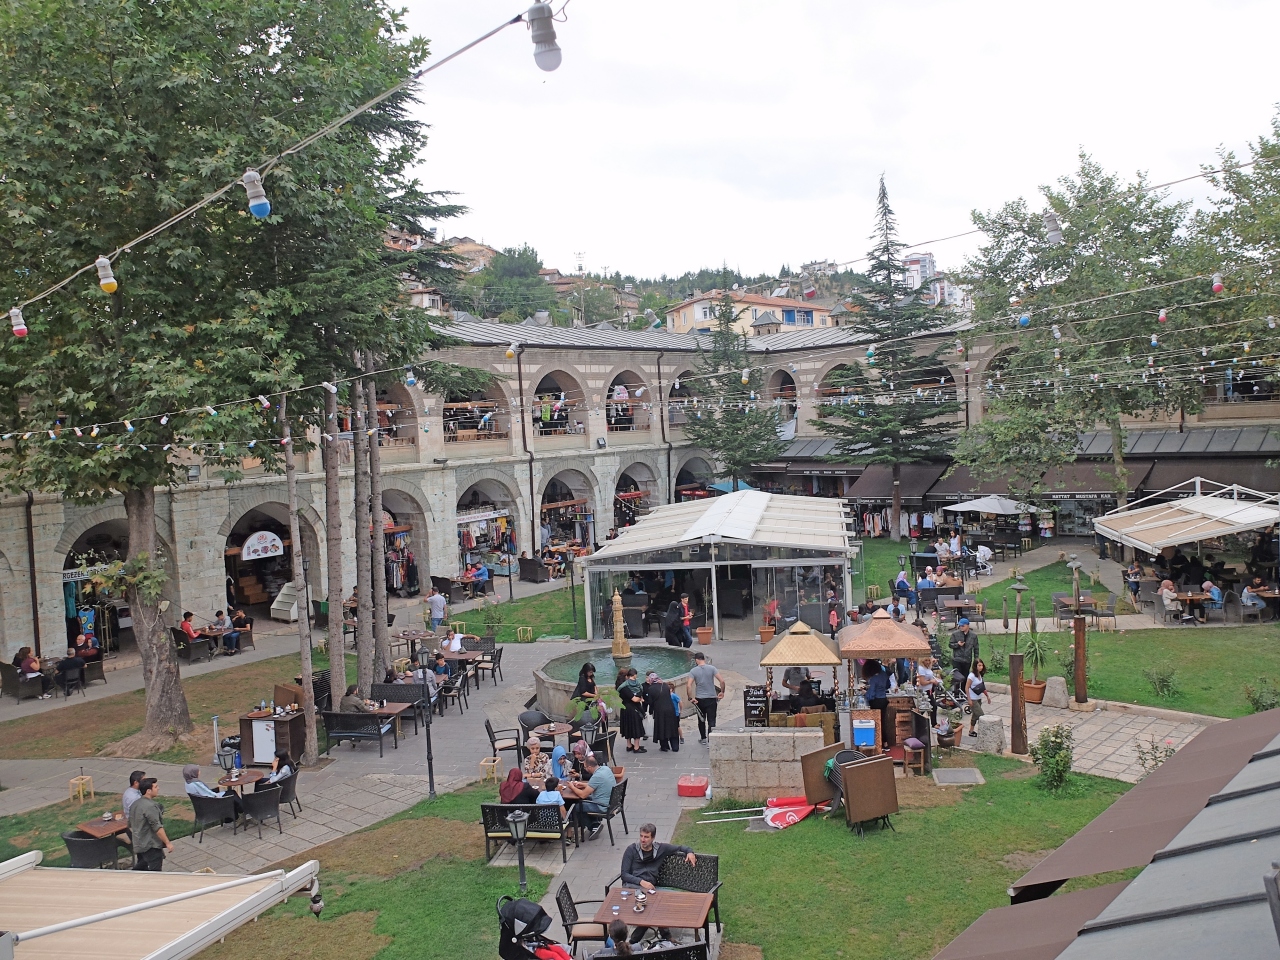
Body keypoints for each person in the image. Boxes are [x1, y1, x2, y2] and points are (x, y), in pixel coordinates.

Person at [619, 824, 697, 943]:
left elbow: (681, 847)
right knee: (654, 907)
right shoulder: (631, 850)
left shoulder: (661, 849)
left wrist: (690, 852)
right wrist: (642, 882)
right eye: (641, 836)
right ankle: (662, 937)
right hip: (632, 888)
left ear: (653, 838)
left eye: (646, 837)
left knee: (667, 900)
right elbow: (624, 874)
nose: (643, 840)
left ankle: (634, 942)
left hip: (651, 890)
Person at [562, 754, 615, 840]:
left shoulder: (596, 776)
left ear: (590, 767)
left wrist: (572, 787)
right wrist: (582, 784)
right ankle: (595, 823)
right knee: (583, 802)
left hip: (602, 806)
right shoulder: (605, 769)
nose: (585, 769)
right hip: (611, 802)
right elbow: (596, 784)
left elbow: (583, 795)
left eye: (585, 767)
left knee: (577, 807)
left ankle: (592, 826)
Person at [129, 778, 174, 871]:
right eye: (156, 787)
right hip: (150, 845)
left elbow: (130, 823)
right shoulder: (150, 806)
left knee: (142, 868)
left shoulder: (135, 804)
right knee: (155, 872)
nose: (158, 788)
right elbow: (157, 827)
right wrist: (167, 843)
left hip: (139, 844)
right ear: (148, 791)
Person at [687, 651, 724, 744]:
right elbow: (722, 681)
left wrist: (690, 697)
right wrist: (722, 692)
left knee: (701, 720)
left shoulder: (693, 671)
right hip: (711, 698)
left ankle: (703, 738)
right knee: (712, 720)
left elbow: (688, 686)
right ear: (703, 659)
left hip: (699, 699)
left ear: (696, 660)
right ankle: (711, 739)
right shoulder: (712, 668)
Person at [646, 676, 680, 752]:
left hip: (659, 711)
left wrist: (651, 712)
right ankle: (675, 746)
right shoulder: (665, 685)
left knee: (662, 727)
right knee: (672, 727)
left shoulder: (651, 689)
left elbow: (650, 702)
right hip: (670, 709)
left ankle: (664, 746)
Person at [618, 669, 647, 753]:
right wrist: (640, 698)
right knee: (636, 727)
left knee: (628, 727)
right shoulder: (628, 688)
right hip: (633, 709)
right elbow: (635, 699)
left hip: (625, 708)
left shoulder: (622, 687)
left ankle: (629, 745)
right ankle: (636, 747)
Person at [864, 660, 890, 746]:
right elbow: (888, 685)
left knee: (876, 722)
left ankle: (877, 742)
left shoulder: (873, 679)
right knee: (883, 721)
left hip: (876, 701)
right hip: (883, 699)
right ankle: (885, 742)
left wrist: (865, 693)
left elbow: (871, 695)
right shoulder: (884, 674)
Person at [948, 619, 978, 690]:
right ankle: (956, 692)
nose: (961, 627)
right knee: (956, 677)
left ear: (968, 626)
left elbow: (976, 648)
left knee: (965, 677)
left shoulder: (973, 636)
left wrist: (976, 660)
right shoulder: (955, 634)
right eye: (960, 626)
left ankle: (964, 692)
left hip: (967, 660)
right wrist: (957, 644)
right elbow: (950, 645)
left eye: (963, 626)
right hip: (957, 659)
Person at [966, 659, 991, 738]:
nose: (981, 667)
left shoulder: (980, 675)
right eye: (979, 665)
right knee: (981, 716)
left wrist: (987, 696)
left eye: (982, 665)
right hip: (973, 699)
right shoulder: (971, 676)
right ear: (975, 666)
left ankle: (971, 731)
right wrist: (969, 699)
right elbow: (966, 688)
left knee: (975, 715)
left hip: (979, 698)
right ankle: (985, 732)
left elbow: (982, 687)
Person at [915, 657, 941, 724]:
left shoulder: (927, 667)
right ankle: (932, 723)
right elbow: (922, 682)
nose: (928, 662)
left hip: (929, 690)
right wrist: (931, 681)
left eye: (929, 660)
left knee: (930, 707)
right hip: (923, 691)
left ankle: (933, 723)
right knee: (929, 707)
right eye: (926, 660)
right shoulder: (921, 669)